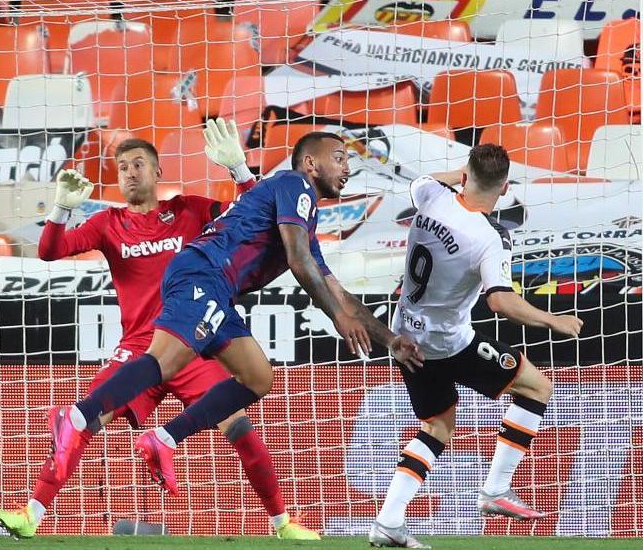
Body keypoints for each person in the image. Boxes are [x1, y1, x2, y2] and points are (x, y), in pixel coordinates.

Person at [46, 130, 424, 501]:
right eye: (339, 158)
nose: (347, 168)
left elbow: (335, 288)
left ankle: (164, 438)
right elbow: (298, 262)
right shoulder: (295, 183)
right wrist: (337, 317)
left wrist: (390, 341)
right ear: (311, 163)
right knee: (163, 362)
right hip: (203, 273)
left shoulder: (303, 224)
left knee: (258, 377)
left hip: (218, 290)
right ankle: (78, 416)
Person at [0, 119, 318, 540]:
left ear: (158, 170)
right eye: (122, 166)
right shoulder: (108, 223)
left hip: (196, 344)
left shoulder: (191, 210)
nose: (129, 172)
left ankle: (282, 523)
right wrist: (61, 209)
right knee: (84, 421)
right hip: (141, 350)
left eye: (138, 163)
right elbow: (51, 252)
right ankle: (31, 513)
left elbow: (255, 216)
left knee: (238, 423)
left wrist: (239, 169)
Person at [368, 144, 584, 549]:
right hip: (449, 342)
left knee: (437, 427)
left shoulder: (431, 195)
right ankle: (496, 490)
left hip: (405, 334)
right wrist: (553, 320)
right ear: (504, 190)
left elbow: (428, 180)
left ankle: (388, 522)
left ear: (464, 176)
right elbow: (500, 301)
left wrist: (466, 174)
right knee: (537, 386)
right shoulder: (490, 238)